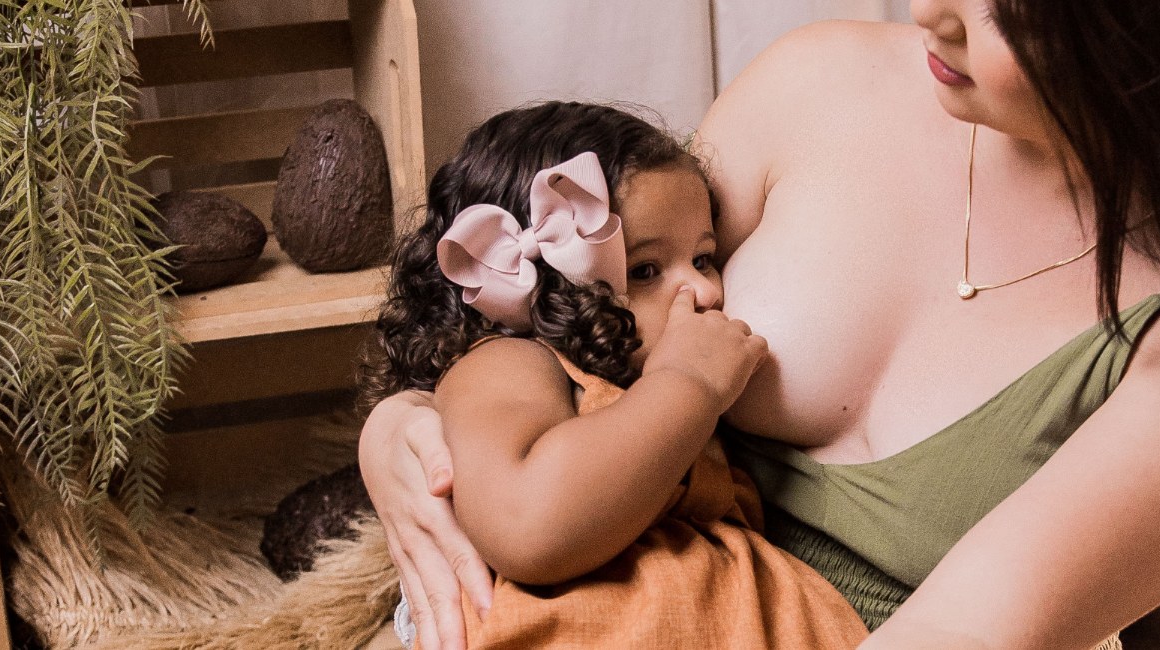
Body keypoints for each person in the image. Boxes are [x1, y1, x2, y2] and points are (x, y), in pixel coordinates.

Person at [361, 0, 1160, 647]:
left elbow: (955, 634)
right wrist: (410, 428)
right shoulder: (819, 83)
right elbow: (577, 323)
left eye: (1014, 15)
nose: (933, 12)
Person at [367, 101, 866, 648]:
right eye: (646, 270)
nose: (707, 292)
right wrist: (687, 386)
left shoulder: (642, 388)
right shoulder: (506, 363)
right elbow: (526, 525)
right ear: (543, 290)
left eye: (702, 258)